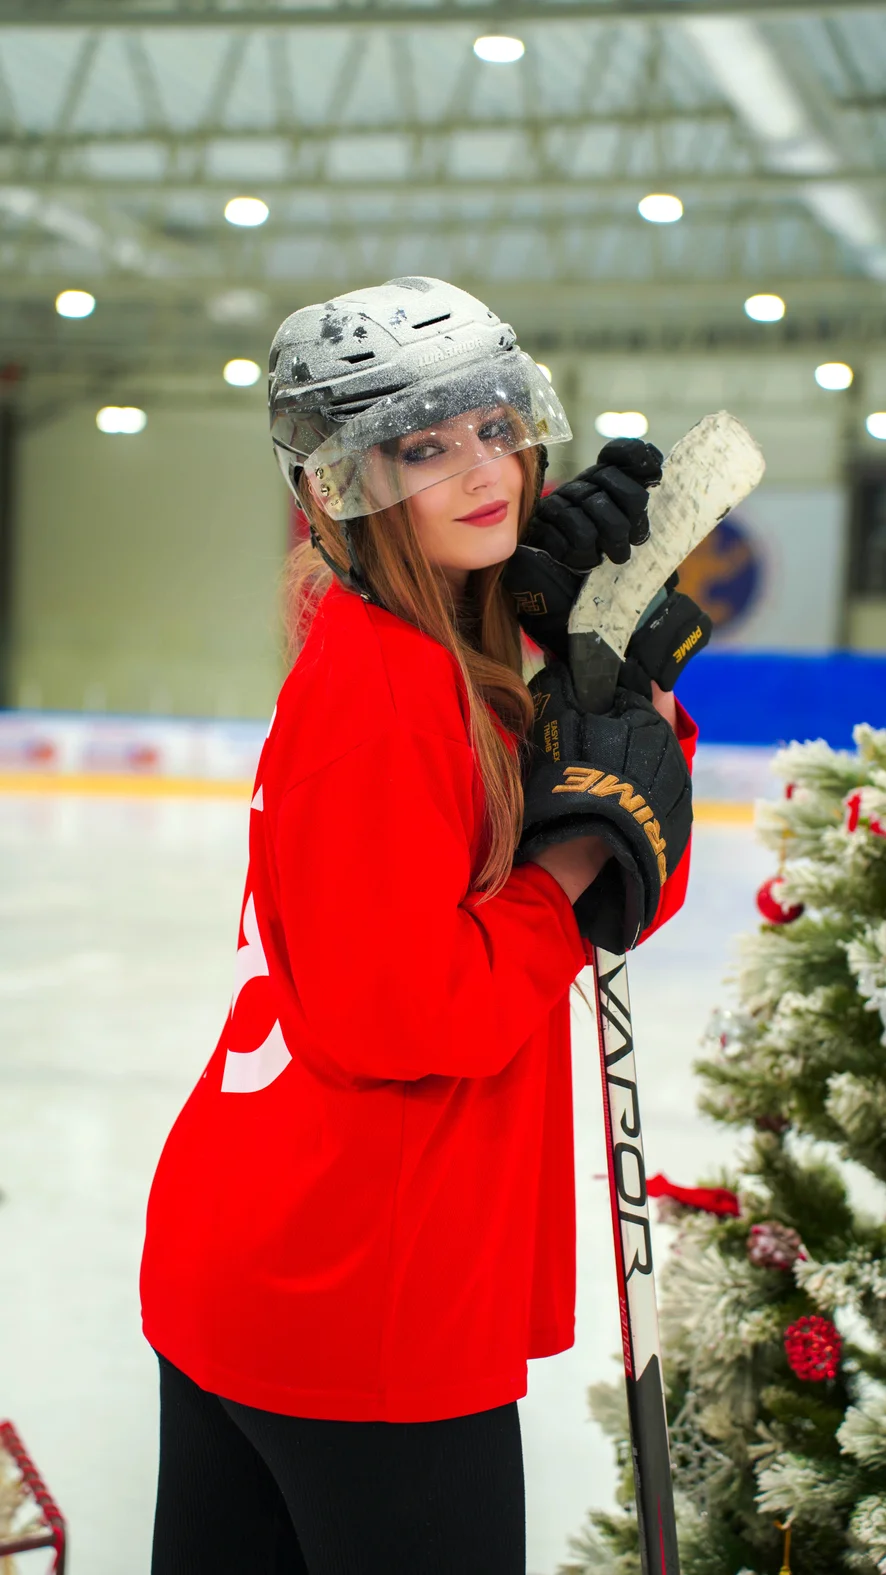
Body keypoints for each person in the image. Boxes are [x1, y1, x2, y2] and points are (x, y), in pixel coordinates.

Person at [140, 278, 703, 1575]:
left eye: (496, 427)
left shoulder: (432, 647)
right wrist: (572, 859)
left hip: (288, 1246)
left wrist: (600, 663)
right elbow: (413, 1012)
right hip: (358, 1277)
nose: (483, 468)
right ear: (346, 481)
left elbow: (624, 880)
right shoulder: (389, 697)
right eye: (423, 446)